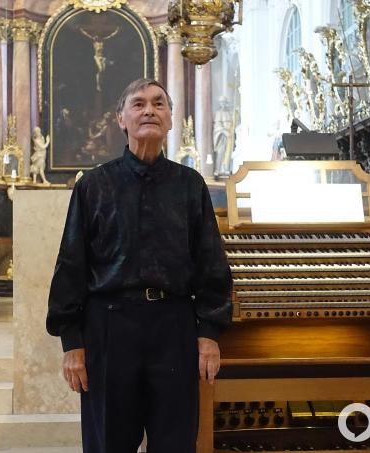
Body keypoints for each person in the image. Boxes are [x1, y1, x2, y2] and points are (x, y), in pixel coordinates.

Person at [46, 78, 232, 453]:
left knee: (175, 443)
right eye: (139, 103)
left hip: (173, 326)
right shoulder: (94, 186)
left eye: (159, 103)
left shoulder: (190, 185)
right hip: (110, 327)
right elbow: (71, 264)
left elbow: (210, 262)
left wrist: (209, 334)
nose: (149, 110)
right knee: (108, 443)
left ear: (171, 118)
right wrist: (72, 343)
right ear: (121, 119)